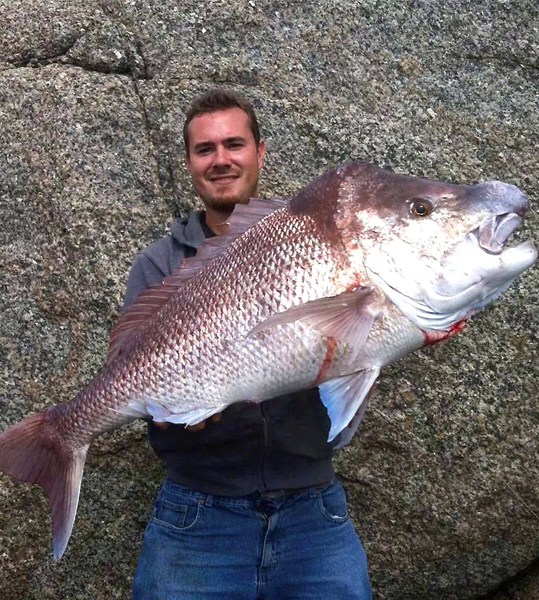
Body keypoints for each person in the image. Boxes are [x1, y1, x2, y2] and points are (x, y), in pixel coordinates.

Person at [125, 89, 372, 600]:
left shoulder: (320, 244)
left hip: (313, 512)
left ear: (261, 152)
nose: (221, 160)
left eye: (234, 144)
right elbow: (137, 378)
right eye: (204, 149)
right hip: (197, 517)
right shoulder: (157, 267)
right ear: (190, 163)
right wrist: (173, 411)